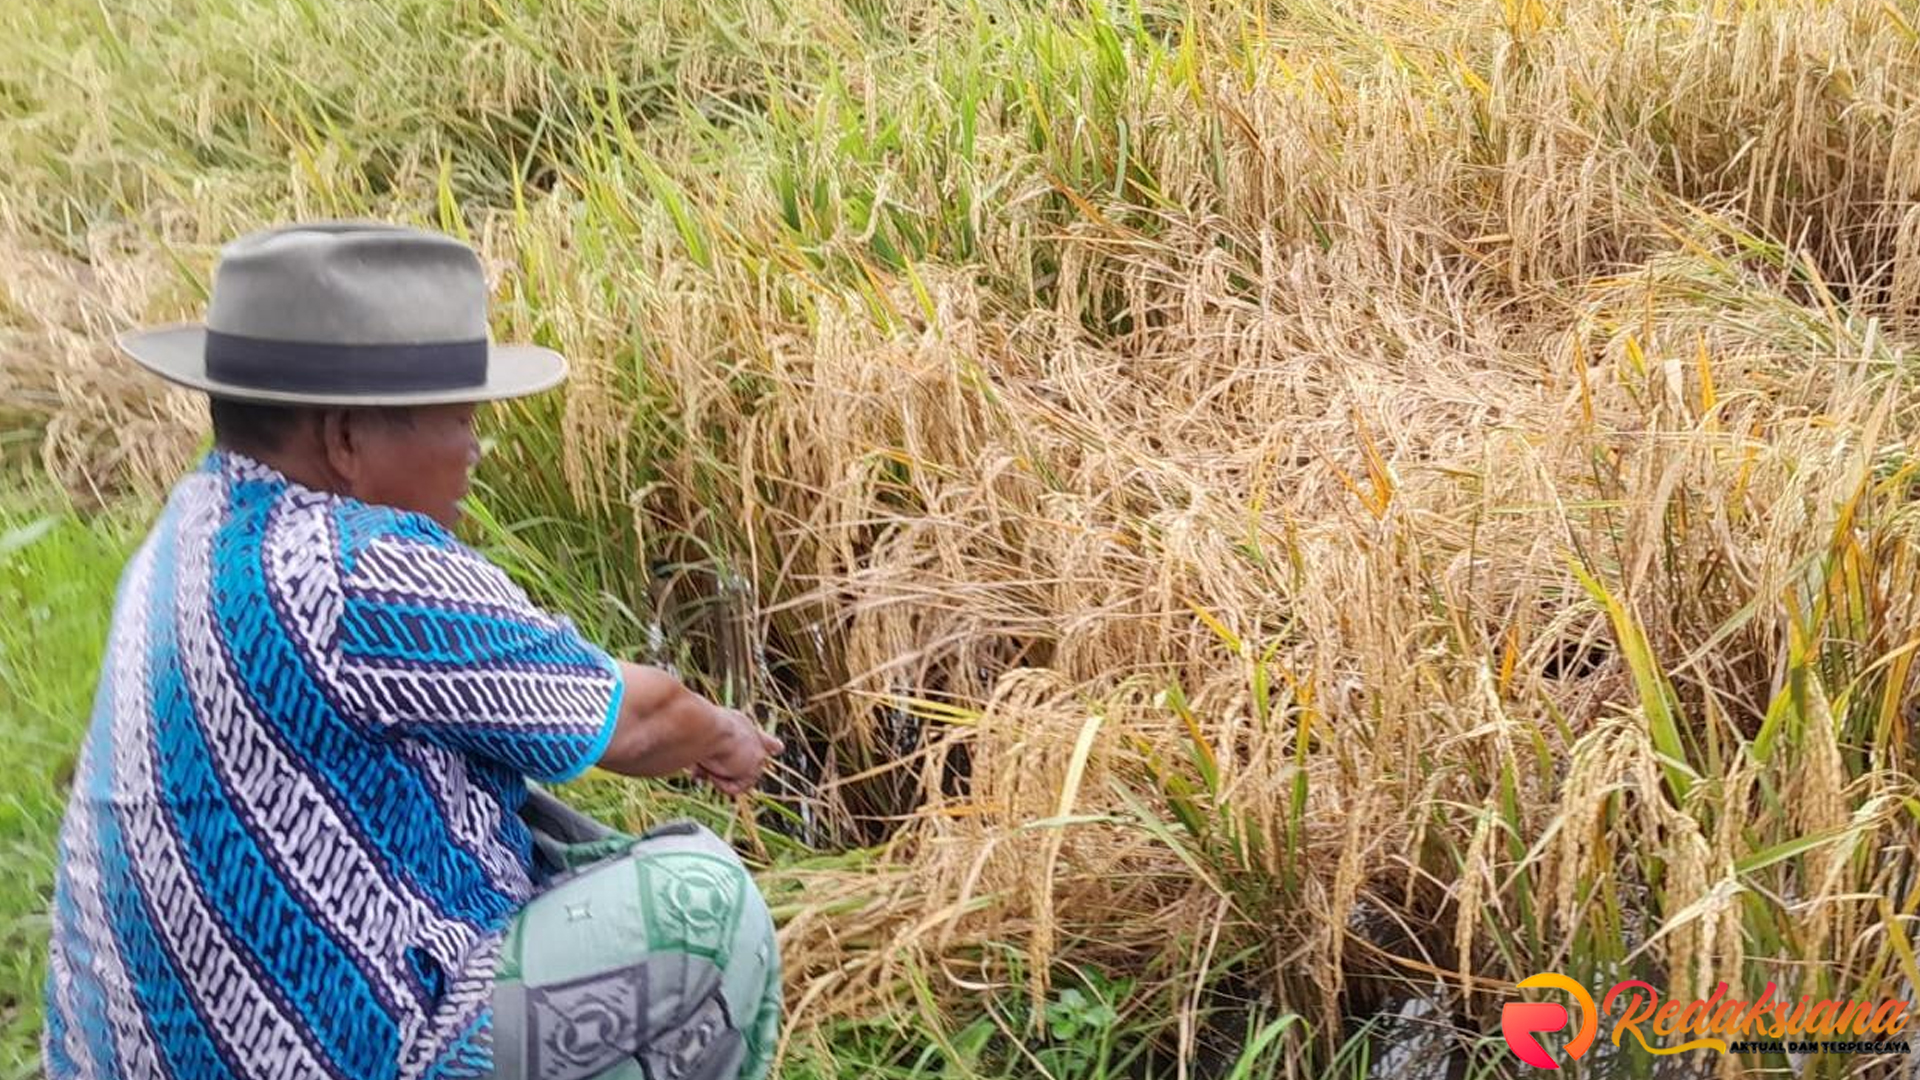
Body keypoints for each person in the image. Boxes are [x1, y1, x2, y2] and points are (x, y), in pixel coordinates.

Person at [42, 222, 784, 1080]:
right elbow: (641, 722)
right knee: (702, 901)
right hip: (312, 1056)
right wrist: (726, 735)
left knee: (529, 821)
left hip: (156, 1052)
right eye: (461, 421)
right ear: (347, 438)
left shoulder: (193, 527)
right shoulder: (354, 566)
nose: (476, 449)